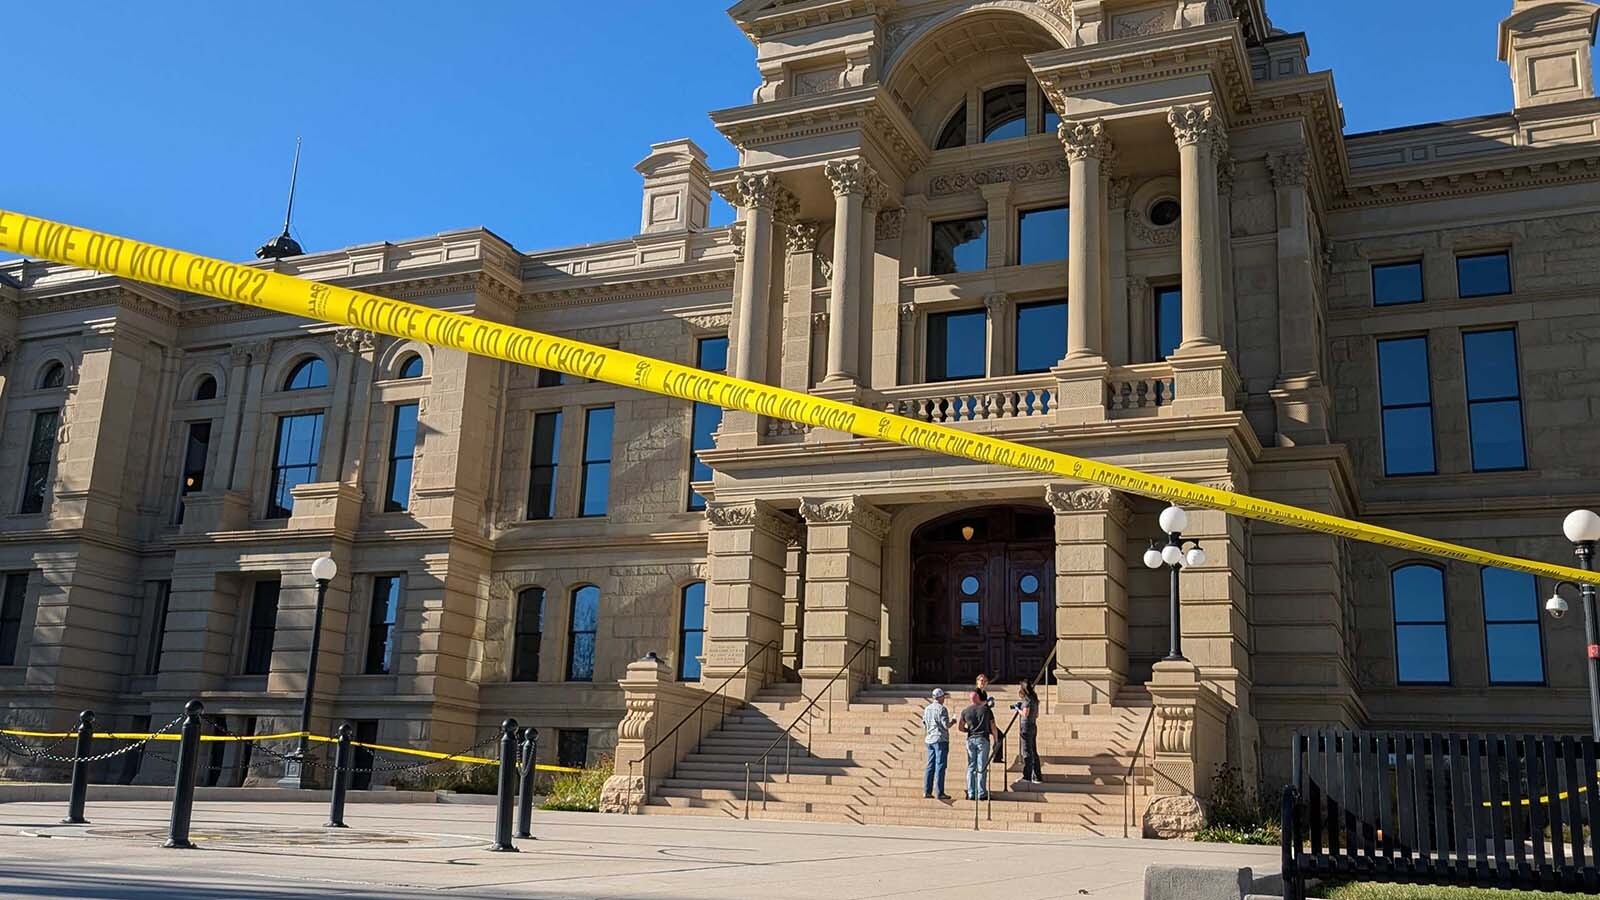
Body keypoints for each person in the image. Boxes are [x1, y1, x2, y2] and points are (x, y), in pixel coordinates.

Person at [958, 689, 996, 801]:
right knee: (981, 766)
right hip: (982, 739)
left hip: (970, 739)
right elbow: (993, 726)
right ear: (979, 698)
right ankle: (981, 792)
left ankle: (971, 792)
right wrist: (996, 739)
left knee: (971, 766)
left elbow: (960, 727)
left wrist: (967, 731)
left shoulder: (965, 711)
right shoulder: (986, 710)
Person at [921, 687, 953, 800]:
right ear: (940, 697)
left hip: (929, 738)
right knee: (940, 766)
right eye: (943, 696)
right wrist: (953, 722)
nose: (944, 698)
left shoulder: (927, 709)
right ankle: (940, 792)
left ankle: (927, 791)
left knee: (930, 765)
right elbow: (946, 725)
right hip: (940, 739)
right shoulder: (942, 709)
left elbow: (924, 723)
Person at [1015, 678, 1042, 785]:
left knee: (1026, 751)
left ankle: (1027, 776)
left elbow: (1025, 713)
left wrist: (1018, 709)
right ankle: (1037, 776)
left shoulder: (1027, 700)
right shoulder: (1035, 699)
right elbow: (1037, 715)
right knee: (1033, 751)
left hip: (1026, 726)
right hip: (1033, 725)